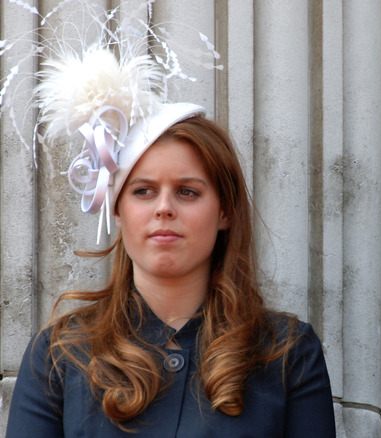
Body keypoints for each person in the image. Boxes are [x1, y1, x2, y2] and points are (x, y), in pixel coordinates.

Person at [5, 46, 336, 438]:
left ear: (225, 212)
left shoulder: (287, 353)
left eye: (188, 192)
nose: (164, 208)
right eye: (143, 191)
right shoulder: (60, 354)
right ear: (116, 209)